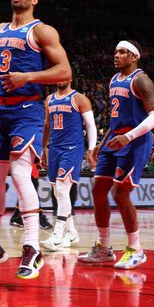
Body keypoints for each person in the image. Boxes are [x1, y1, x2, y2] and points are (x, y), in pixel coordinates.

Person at [0, 0, 72, 280]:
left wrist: (28, 77)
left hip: (27, 108)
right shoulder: (0, 29)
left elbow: (65, 72)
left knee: (22, 174)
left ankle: (31, 246)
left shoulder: (42, 31)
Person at [78, 41, 154, 270]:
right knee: (97, 191)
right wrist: (101, 144)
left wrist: (129, 137)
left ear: (134, 56)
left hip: (135, 142)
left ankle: (136, 248)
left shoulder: (141, 80)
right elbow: (115, 118)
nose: (116, 55)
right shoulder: (114, 80)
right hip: (114, 140)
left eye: (122, 52)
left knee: (120, 193)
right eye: (115, 51)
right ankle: (104, 248)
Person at [41, 80, 97, 251]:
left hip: (73, 148)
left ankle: (57, 235)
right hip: (55, 148)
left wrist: (91, 148)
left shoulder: (79, 98)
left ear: (70, 78)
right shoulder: (49, 99)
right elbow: (47, 125)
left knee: (63, 188)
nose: (60, 78)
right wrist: (43, 146)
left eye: (64, 75)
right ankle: (71, 233)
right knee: (57, 191)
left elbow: (90, 125)